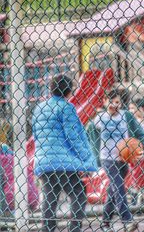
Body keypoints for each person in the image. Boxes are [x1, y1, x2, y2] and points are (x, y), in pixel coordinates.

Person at [32, 74, 97, 232]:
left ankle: (47, 229)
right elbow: (73, 135)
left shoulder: (39, 108)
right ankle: (74, 228)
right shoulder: (67, 108)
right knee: (78, 192)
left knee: (50, 196)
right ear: (69, 92)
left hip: (44, 160)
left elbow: (35, 133)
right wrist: (86, 158)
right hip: (64, 161)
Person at [88, 90, 144, 232]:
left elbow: (141, 133)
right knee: (119, 186)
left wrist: (143, 151)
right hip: (107, 159)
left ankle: (105, 224)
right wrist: (94, 157)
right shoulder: (99, 118)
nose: (114, 105)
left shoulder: (126, 116)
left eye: (117, 102)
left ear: (121, 103)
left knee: (113, 191)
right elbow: (90, 134)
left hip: (123, 159)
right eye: (111, 102)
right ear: (104, 102)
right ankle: (127, 220)